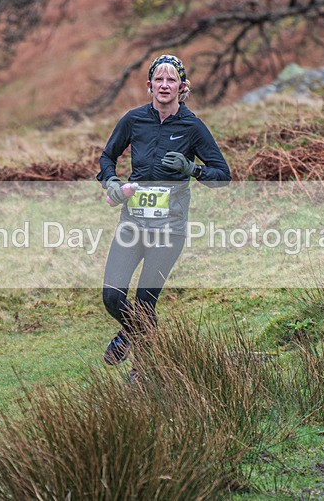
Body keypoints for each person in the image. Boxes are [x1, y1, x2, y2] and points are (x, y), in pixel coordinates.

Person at [96, 54, 232, 371]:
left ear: (183, 87)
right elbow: (106, 158)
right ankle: (133, 334)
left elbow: (222, 176)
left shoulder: (193, 127)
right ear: (150, 85)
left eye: (172, 80)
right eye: (159, 79)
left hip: (169, 231)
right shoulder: (133, 120)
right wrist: (113, 184)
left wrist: (192, 168)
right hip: (132, 225)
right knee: (111, 297)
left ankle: (142, 373)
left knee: (144, 304)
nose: (165, 85)